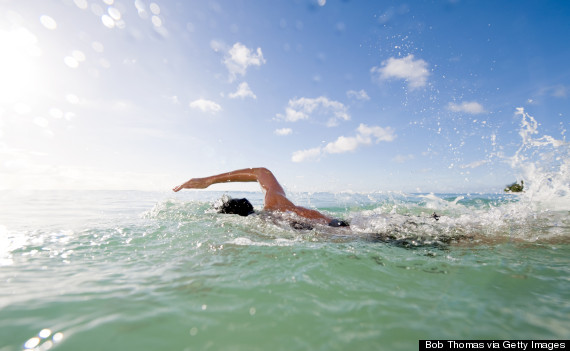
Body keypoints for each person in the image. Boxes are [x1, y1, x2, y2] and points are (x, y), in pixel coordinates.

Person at [173, 167, 349, 227]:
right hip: (341, 224)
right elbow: (260, 172)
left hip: (334, 238)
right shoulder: (275, 202)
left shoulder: (259, 227)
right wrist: (209, 180)